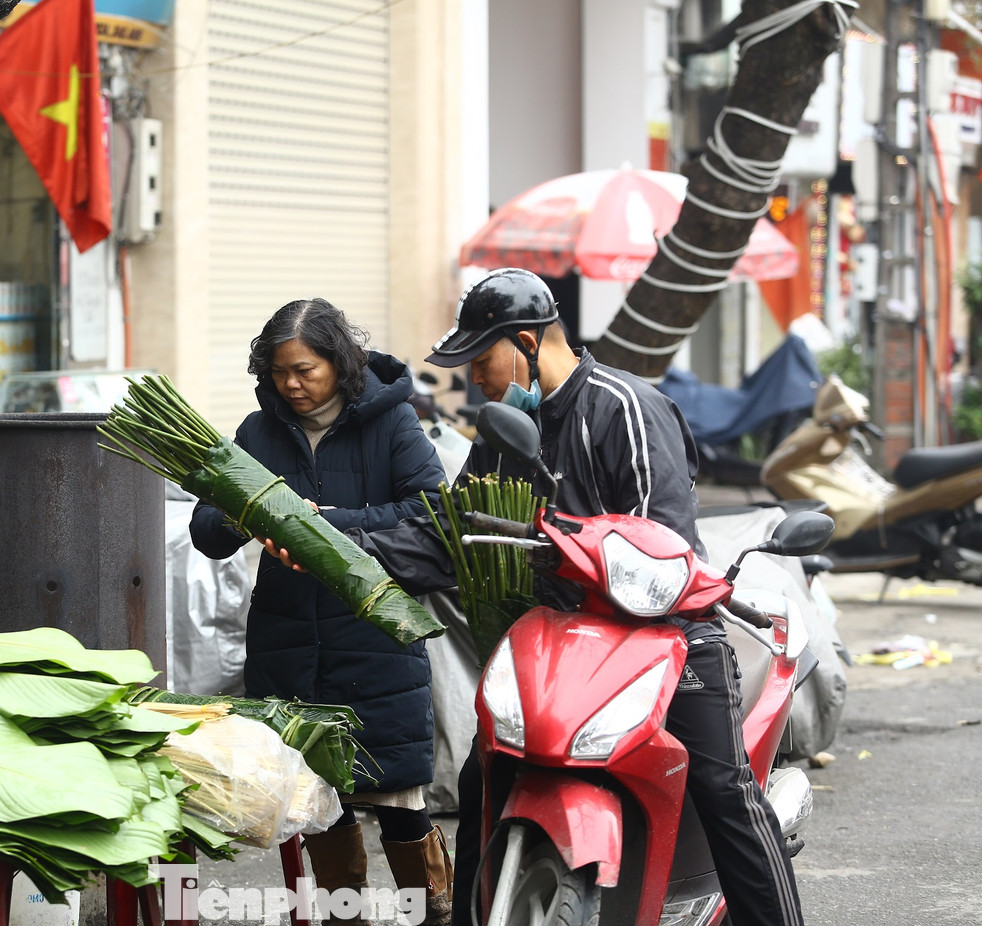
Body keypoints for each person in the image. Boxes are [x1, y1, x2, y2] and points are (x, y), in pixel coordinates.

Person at [273, 269, 805, 926]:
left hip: (667, 635)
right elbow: (450, 538)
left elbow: (660, 546)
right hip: (558, 646)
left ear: (525, 341)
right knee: (481, 781)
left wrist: (559, 541)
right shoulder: (504, 434)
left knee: (724, 789)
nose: (475, 378)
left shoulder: (624, 408)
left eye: (481, 358)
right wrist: (332, 542)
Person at [189, 298, 454, 925]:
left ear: (339, 363)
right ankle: (345, 913)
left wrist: (334, 529)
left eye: (305, 369)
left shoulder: (393, 426)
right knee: (316, 798)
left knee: (396, 797)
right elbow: (206, 529)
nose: (292, 385)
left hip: (374, 640)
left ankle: (434, 906)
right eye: (280, 371)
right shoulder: (257, 434)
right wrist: (250, 512)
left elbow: (433, 519)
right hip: (288, 642)